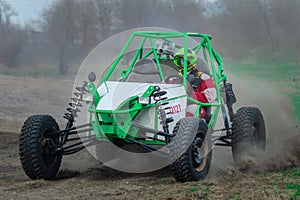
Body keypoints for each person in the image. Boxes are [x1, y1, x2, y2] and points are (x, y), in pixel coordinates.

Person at [173, 48, 217, 119]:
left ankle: (185, 129)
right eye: (179, 61)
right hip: (176, 107)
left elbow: (210, 97)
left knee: (191, 109)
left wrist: (190, 96)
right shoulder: (174, 79)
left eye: (184, 61)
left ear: (191, 61)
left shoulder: (203, 77)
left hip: (196, 107)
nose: (182, 64)